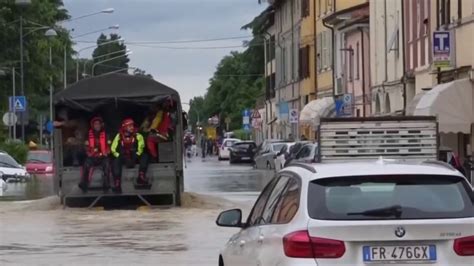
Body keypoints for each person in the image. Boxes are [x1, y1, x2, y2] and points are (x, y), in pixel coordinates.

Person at [111, 118, 148, 193]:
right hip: (123, 156)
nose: (132, 127)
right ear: (125, 127)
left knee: (145, 156)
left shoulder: (138, 135)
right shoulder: (119, 136)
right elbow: (113, 148)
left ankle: (141, 176)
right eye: (129, 126)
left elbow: (141, 146)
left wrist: (137, 154)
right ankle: (117, 183)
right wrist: (118, 155)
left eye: (132, 125)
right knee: (115, 161)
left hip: (135, 156)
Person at [79, 117, 111, 193]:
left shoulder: (106, 134)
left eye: (98, 124)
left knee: (107, 164)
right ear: (93, 125)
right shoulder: (88, 134)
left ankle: (106, 184)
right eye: (95, 124)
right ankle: (84, 183)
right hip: (92, 156)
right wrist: (89, 153)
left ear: (101, 125)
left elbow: (109, 145)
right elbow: (85, 146)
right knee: (86, 164)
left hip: (103, 156)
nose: (97, 126)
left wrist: (107, 152)